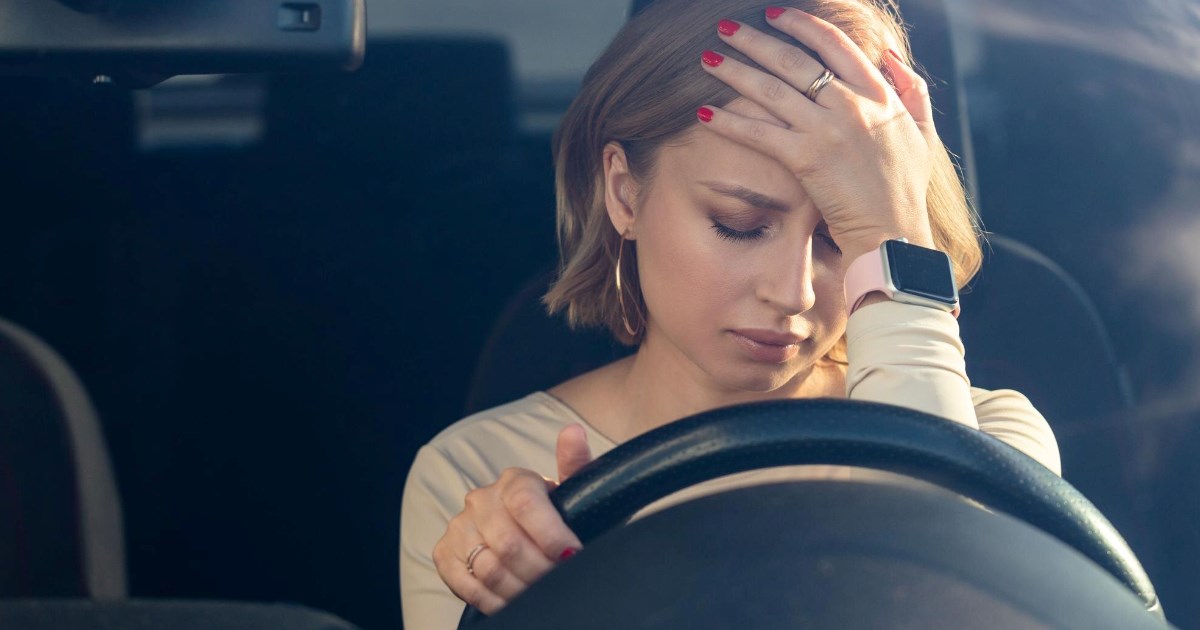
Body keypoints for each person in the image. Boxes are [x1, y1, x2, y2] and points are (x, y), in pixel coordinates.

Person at [400, 0, 1062, 626]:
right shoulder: (477, 484)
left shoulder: (991, 440)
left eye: (843, 241)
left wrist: (895, 239)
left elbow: (941, 607)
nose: (794, 292)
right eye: (740, 224)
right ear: (624, 193)